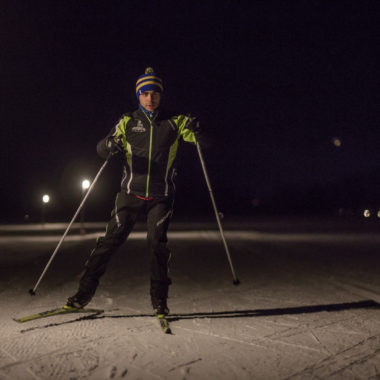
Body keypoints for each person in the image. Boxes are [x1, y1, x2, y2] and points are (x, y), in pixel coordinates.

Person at [66, 67, 205, 316]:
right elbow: (102, 148)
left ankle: (159, 301)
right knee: (109, 243)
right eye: (144, 94)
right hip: (130, 193)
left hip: (161, 196)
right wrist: (110, 145)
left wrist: (198, 130)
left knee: (156, 245)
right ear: (138, 96)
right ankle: (82, 295)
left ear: (160, 95)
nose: (149, 98)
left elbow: (204, 142)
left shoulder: (176, 121)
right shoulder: (128, 121)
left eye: (154, 93)